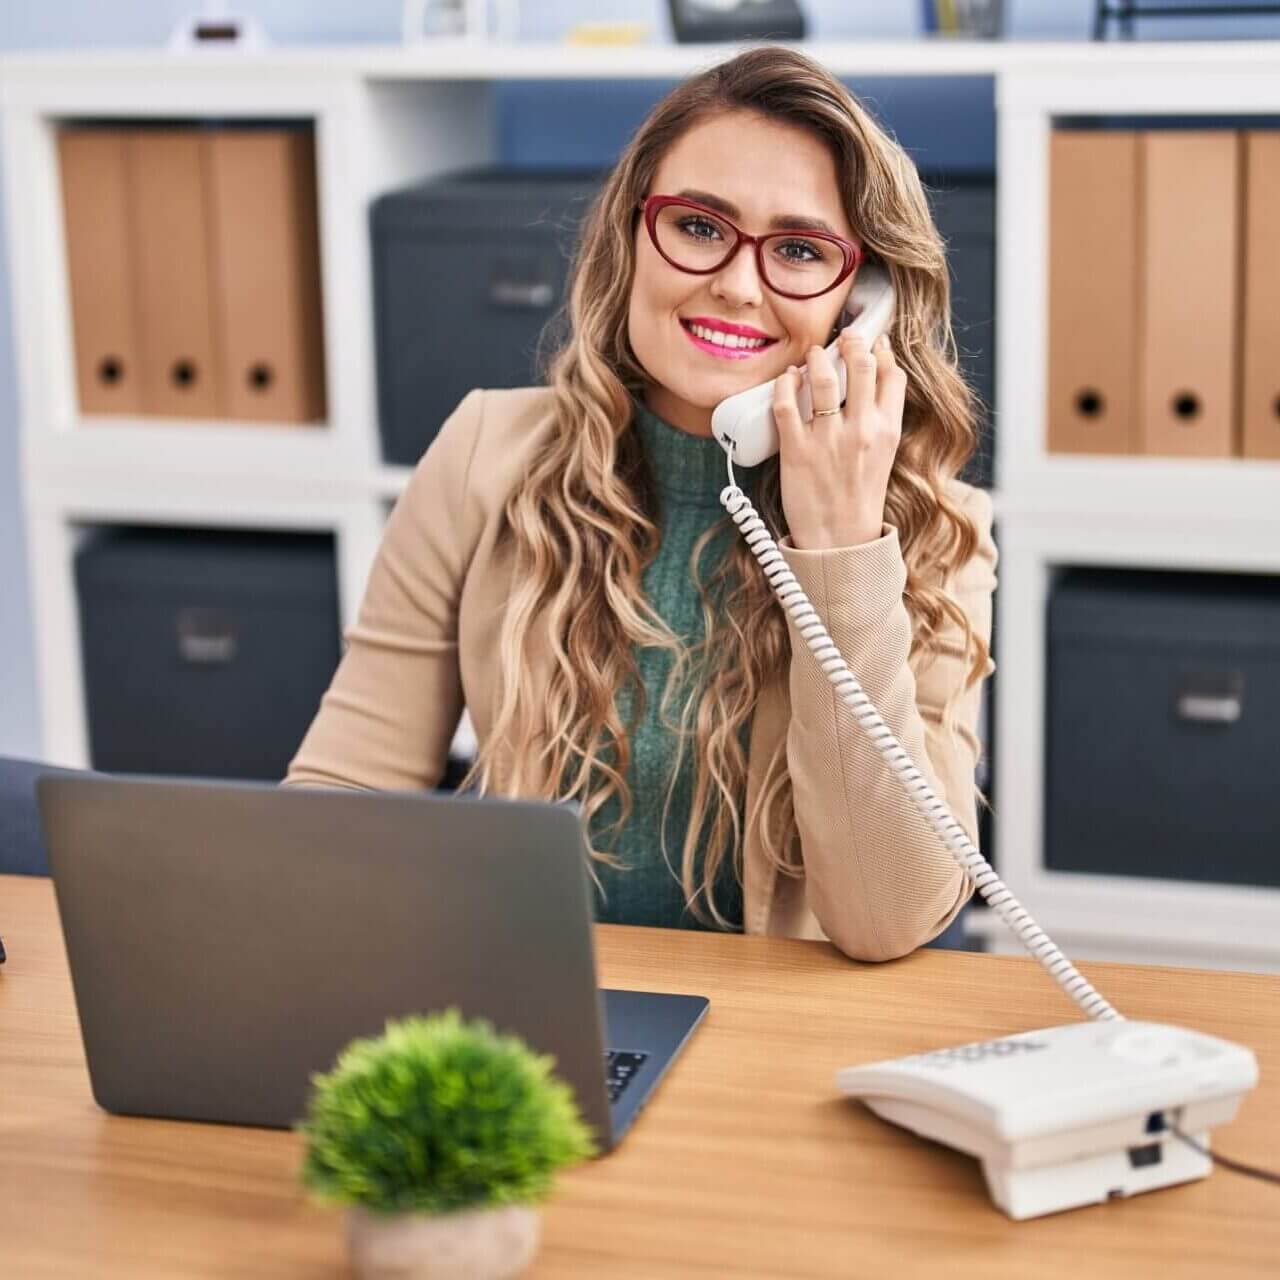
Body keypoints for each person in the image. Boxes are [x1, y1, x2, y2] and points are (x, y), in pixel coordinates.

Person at [285, 45, 998, 962]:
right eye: (700, 227)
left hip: (779, 1054)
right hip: (537, 1020)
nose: (739, 283)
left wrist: (841, 542)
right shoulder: (485, 456)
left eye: (799, 250)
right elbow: (346, 794)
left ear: (863, 303)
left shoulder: (938, 530)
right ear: (630, 233)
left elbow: (888, 921)